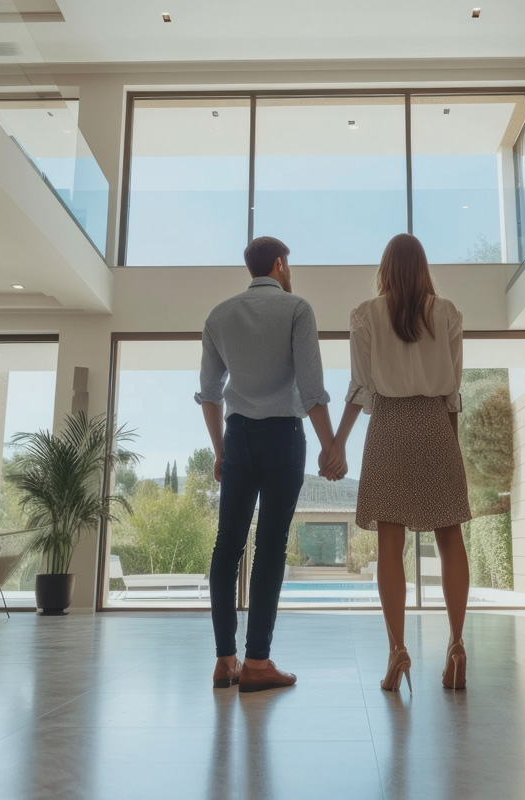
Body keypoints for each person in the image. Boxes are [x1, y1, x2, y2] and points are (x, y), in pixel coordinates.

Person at [324, 233, 472, 692]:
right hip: (434, 426)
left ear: (385, 269)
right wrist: (452, 449)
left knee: (390, 544)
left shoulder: (365, 315)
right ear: (423, 267)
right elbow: (452, 392)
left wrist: (338, 443)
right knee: (450, 536)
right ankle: (456, 645)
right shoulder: (446, 312)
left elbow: (360, 388)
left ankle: (397, 651)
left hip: (388, 427)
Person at [197, 236, 338, 693]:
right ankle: (258, 663)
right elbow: (312, 388)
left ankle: (225, 661)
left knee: (227, 545)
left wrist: (221, 449)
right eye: (288, 264)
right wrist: (330, 445)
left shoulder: (219, 315)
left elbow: (210, 392)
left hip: (238, 436)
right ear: (280, 265)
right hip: (283, 437)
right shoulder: (297, 309)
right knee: (270, 545)